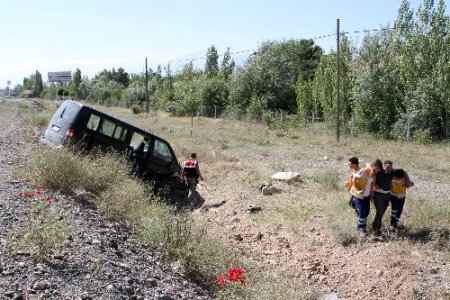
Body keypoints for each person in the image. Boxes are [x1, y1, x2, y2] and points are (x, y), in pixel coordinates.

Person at [348, 157, 378, 236]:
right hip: (359, 196)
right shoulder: (363, 171)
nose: (374, 172)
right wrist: (358, 190)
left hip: (367, 196)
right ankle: (360, 229)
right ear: (371, 168)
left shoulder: (374, 176)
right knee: (362, 213)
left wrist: (372, 194)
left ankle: (362, 225)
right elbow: (354, 179)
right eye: (373, 170)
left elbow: (372, 184)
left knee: (366, 212)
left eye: (376, 171)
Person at [371, 159, 393, 236]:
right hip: (378, 195)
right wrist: (374, 185)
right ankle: (377, 230)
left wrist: (408, 181)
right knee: (379, 211)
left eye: (390, 167)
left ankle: (374, 224)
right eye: (387, 167)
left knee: (381, 212)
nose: (388, 168)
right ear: (383, 166)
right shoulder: (379, 172)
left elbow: (403, 173)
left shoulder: (392, 173)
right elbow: (370, 167)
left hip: (387, 195)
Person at [390, 167, 414, 232]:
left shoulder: (404, 176)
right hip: (393, 195)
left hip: (402, 196)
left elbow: (409, 185)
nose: (398, 179)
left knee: (399, 210)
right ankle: (392, 224)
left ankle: (395, 224)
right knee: (394, 210)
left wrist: (410, 183)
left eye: (399, 178)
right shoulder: (391, 174)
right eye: (397, 177)